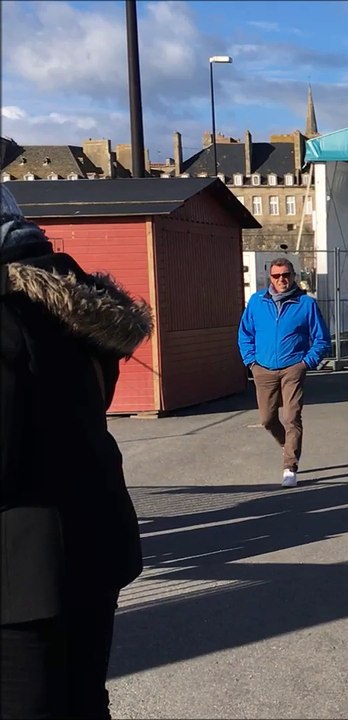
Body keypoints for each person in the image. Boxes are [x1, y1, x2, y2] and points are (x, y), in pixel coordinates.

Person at [1, 189, 150, 718]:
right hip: (94, 540)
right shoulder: (71, 303)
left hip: (23, 574)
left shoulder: (8, 315)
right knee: (84, 699)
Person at [238, 257, 332, 488]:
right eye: (276, 276)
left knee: (292, 417)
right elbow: (245, 334)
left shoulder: (305, 304)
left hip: (293, 368)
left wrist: (306, 362)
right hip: (263, 368)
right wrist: (251, 362)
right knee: (268, 419)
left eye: (286, 275)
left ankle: (290, 466)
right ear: (269, 277)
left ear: (293, 276)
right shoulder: (257, 301)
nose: (282, 279)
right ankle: (286, 444)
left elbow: (321, 339)